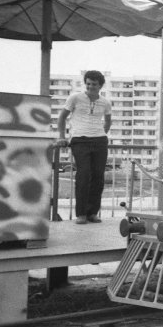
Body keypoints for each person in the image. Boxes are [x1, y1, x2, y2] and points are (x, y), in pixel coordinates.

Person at [56, 70, 112, 224]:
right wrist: (61, 137)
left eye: (94, 84)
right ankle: (81, 214)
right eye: (88, 84)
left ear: (100, 85)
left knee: (98, 177)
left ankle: (92, 212)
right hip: (80, 140)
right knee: (84, 174)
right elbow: (61, 118)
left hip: (99, 140)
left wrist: (101, 133)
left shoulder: (105, 102)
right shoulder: (75, 98)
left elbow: (108, 121)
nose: (90, 87)